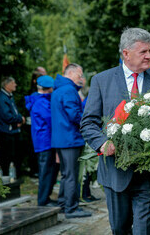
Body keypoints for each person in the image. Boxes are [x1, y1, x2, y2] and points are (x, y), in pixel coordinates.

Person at [81, 27, 150, 234]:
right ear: (125, 53)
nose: (149, 56)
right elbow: (88, 122)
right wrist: (103, 143)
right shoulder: (101, 81)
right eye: (143, 52)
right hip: (115, 172)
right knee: (120, 229)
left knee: (145, 231)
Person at [51, 64, 91, 218]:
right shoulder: (68, 90)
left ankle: (63, 203)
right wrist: (88, 123)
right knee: (72, 175)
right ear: (72, 73)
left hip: (62, 139)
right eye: (79, 75)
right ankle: (71, 208)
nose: (81, 78)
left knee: (66, 174)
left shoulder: (59, 89)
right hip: (70, 138)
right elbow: (74, 114)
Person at [25, 75, 58, 207]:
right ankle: (43, 200)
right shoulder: (41, 102)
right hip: (45, 142)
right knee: (46, 172)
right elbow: (51, 120)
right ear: (47, 89)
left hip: (44, 141)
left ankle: (46, 198)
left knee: (48, 171)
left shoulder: (39, 99)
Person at [0, 77, 25, 175]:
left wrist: (18, 119)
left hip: (12, 131)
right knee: (6, 156)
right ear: (7, 85)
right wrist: (20, 119)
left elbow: (14, 112)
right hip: (5, 132)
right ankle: (6, 176)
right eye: (13, 82)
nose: (15, 84)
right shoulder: (1, 98)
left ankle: (14, 175)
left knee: (15, 155)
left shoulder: (9, 96)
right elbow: (7, 116)